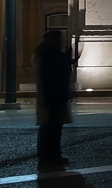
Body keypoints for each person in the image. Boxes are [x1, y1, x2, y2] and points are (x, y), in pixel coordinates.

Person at [33, 29, 73, 170]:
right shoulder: (46, 55)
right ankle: (46, 157)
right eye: (60, 39)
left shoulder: (48, 54)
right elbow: (52, 74)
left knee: (54, 128)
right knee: (49, 128)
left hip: (56, 95)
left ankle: (54, 156)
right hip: (51, 96)